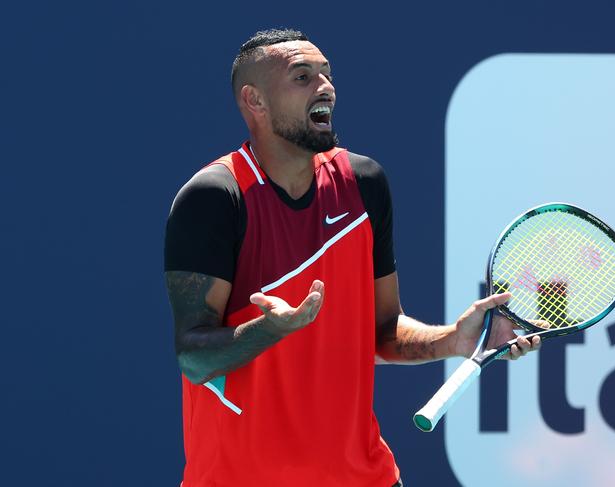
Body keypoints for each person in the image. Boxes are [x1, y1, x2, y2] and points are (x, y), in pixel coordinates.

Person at [164, 28, 540, 487]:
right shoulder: (216, 197)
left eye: (327, 75)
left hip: (363, 477)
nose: (325, 87)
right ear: (255, 101)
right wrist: (270, 331)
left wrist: (454, 341)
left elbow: (381, 330)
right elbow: (193, 358)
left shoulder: (362, 184)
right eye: (302, 77)